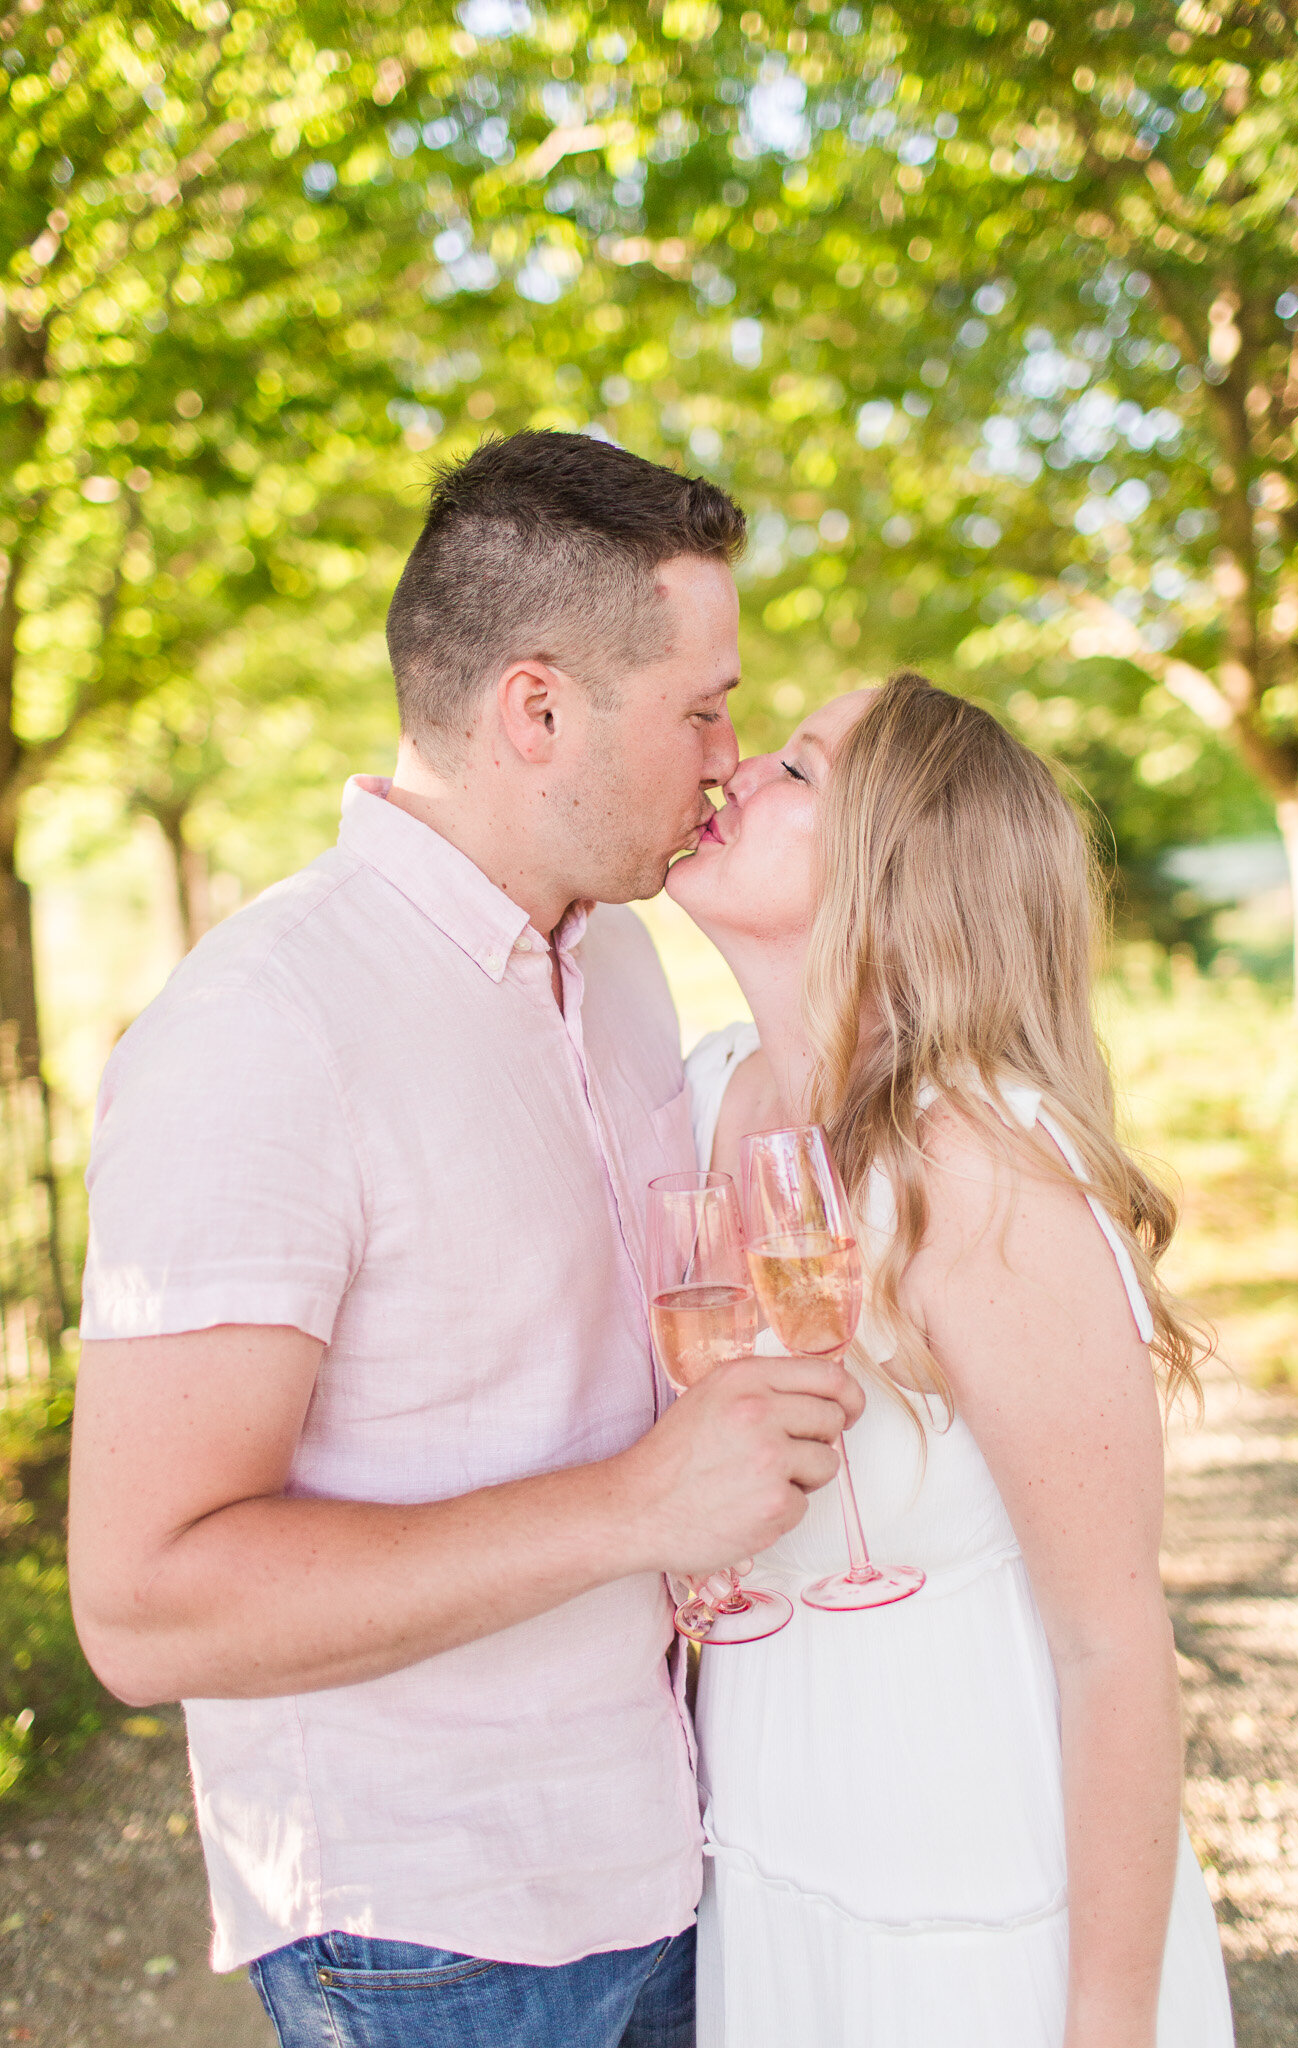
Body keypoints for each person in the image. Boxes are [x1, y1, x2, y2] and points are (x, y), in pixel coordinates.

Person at [66, 431, 863, 2048]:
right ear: (539, 709)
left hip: (673, 1848)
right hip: (438, 1938)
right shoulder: (260, 1031)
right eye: (701, 709)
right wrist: (637, 1505)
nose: (724, 759)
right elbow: (143, 1609)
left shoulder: (623, 961)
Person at [666, 672, 1236, 2048]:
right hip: (762, 1865)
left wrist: (1105, 2023)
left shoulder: (974, 1163)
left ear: (898, 877)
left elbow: (1113, 1643)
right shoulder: (703, 1087)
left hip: (975, 1901)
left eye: (797, 772)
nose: (733, 770)